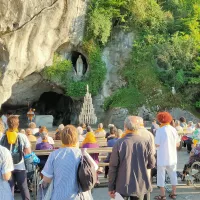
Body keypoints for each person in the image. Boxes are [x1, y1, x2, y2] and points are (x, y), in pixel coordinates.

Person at [108, 116, 155, 200]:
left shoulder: (119, 143)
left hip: (122, 184)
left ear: (125, 126)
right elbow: (151, 164)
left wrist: (111, 187)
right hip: (140, 184)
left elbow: (113, 167)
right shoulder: (145, 142)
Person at [41, 125, 94, 200]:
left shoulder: (54, 155)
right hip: (77, 196)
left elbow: (46, 179)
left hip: (58, 196)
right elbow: (94, 168)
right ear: (76, 138)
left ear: (62, 138)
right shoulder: (81, 154)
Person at [0, 115, 31, 200]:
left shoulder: (3, 136)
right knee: (24, 188)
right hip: (20, 165)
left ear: (7, 124)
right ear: (18, 124)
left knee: (10, 188)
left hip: (7, 168)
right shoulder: (22, 136)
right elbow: (28, 152)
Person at [155, 112, 180, 200]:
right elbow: (178, 144)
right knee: (173, 174)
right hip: (172, 156)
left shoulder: (159, 130)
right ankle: (173, 193)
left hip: (162, 156)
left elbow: (157, 144)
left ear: (160, 120)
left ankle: (162, 195)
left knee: (161, 175)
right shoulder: (173, 130)